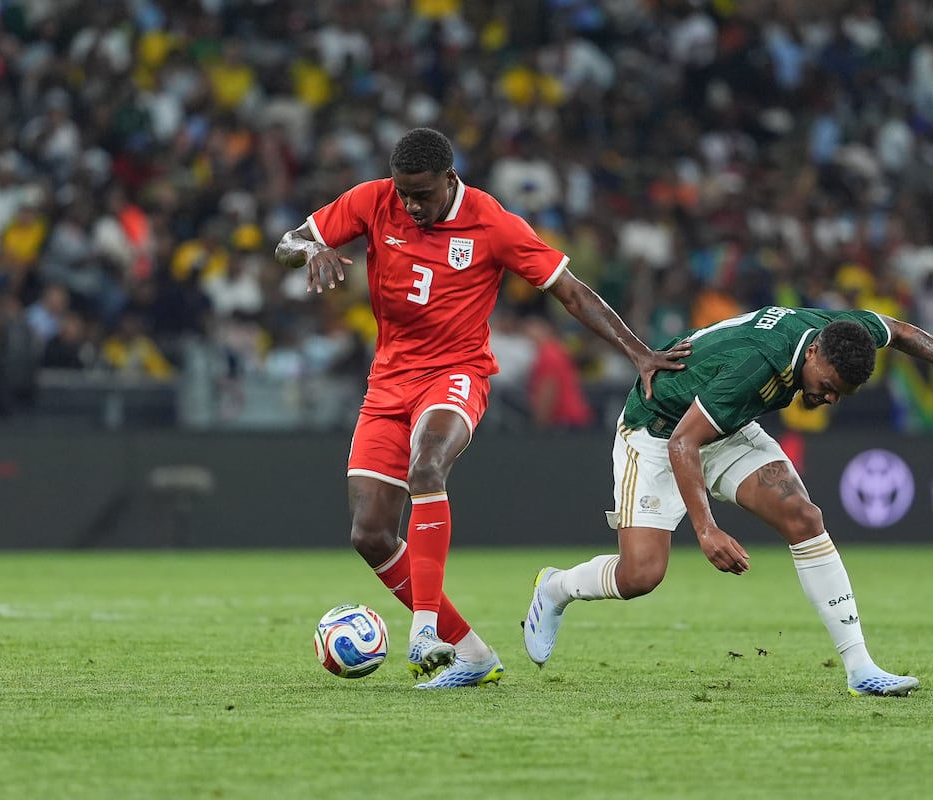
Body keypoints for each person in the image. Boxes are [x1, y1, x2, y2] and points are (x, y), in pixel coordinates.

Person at [274, 128, 686, 689]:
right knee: (370, 534)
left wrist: (638, 352)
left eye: (422, 194)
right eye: (404, 194)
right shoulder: (374, 199)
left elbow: (570, 291)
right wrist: (312, 247)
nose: (411, 205)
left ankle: (424, 629)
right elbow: (288, 241)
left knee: (427, 466)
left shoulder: (491, 222)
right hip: (387, 383)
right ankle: (471, 653)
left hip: (455, 374)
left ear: (450, 179)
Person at [523, 305, 933, 696]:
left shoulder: (842, 334)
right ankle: (557, 588)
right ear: (812, 355)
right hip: (658, 434)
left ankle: (860, 668)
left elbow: (900, 331)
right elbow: (683, 442)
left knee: (804, 517)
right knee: (641, 576)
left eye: (840, 396)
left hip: (727, 425)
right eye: (827, 387)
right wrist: (707, 529)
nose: (829, 399)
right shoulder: (757, 364)